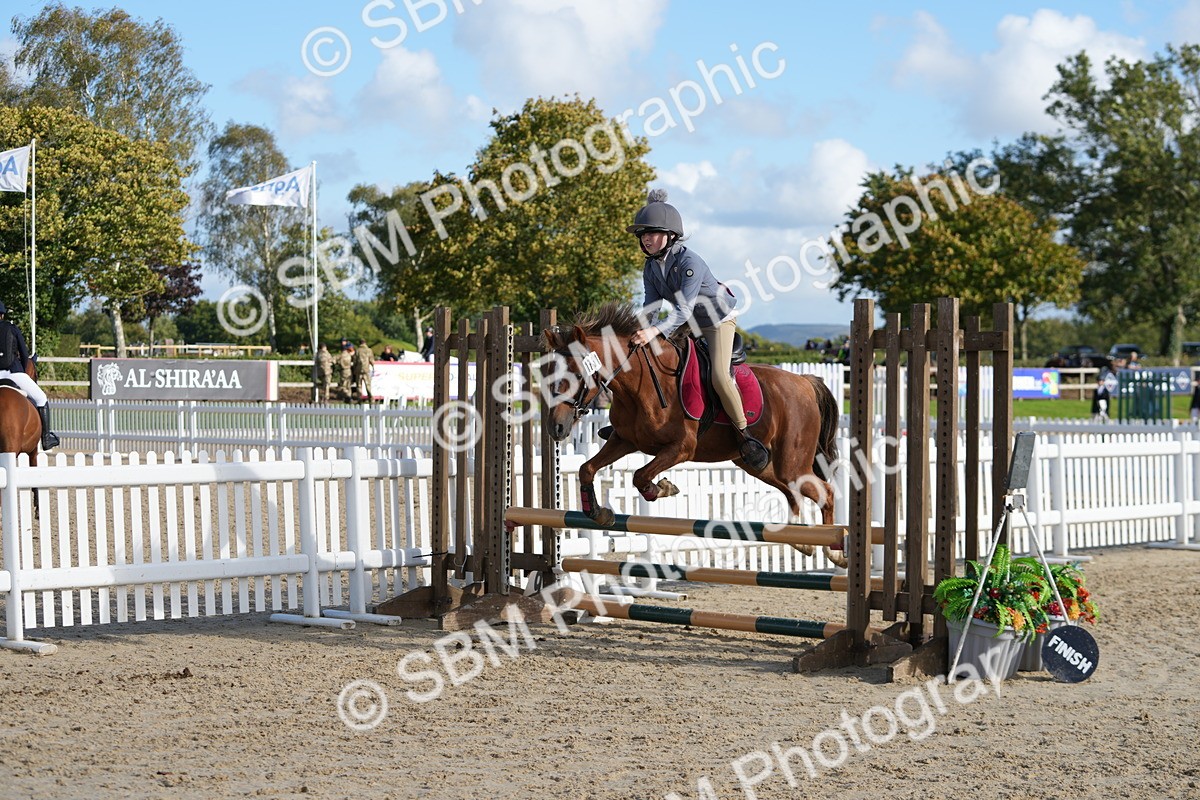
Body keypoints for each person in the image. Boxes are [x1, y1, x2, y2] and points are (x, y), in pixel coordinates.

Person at [626, 189, 769, 472]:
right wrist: (635, 330)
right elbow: (651, 306)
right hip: (689, 321)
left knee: (718, 375)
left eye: (651, 233)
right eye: (643, 234)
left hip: (717, 320)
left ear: (670, 235)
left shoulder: (689, 263)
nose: (645, 238)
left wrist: (654, 331)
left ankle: (745, 435)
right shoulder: (651, 266)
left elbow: (682, 311)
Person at [0, 301, 59, 449]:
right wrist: (25, 365)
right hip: (14, 373)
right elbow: (25, 355)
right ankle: (46, 439)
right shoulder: (12, 329)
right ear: (2, 314)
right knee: (41, 398)